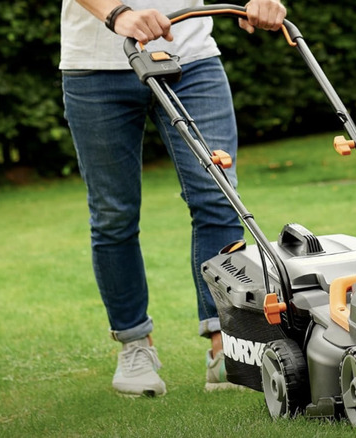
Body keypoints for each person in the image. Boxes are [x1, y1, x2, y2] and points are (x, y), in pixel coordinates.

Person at [59, 0, 286, 396]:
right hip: (94, 68)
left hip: (192, 59)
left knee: (218, 196)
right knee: (114, 216)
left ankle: (228, 345)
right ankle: (135, 346)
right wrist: (117, 14)